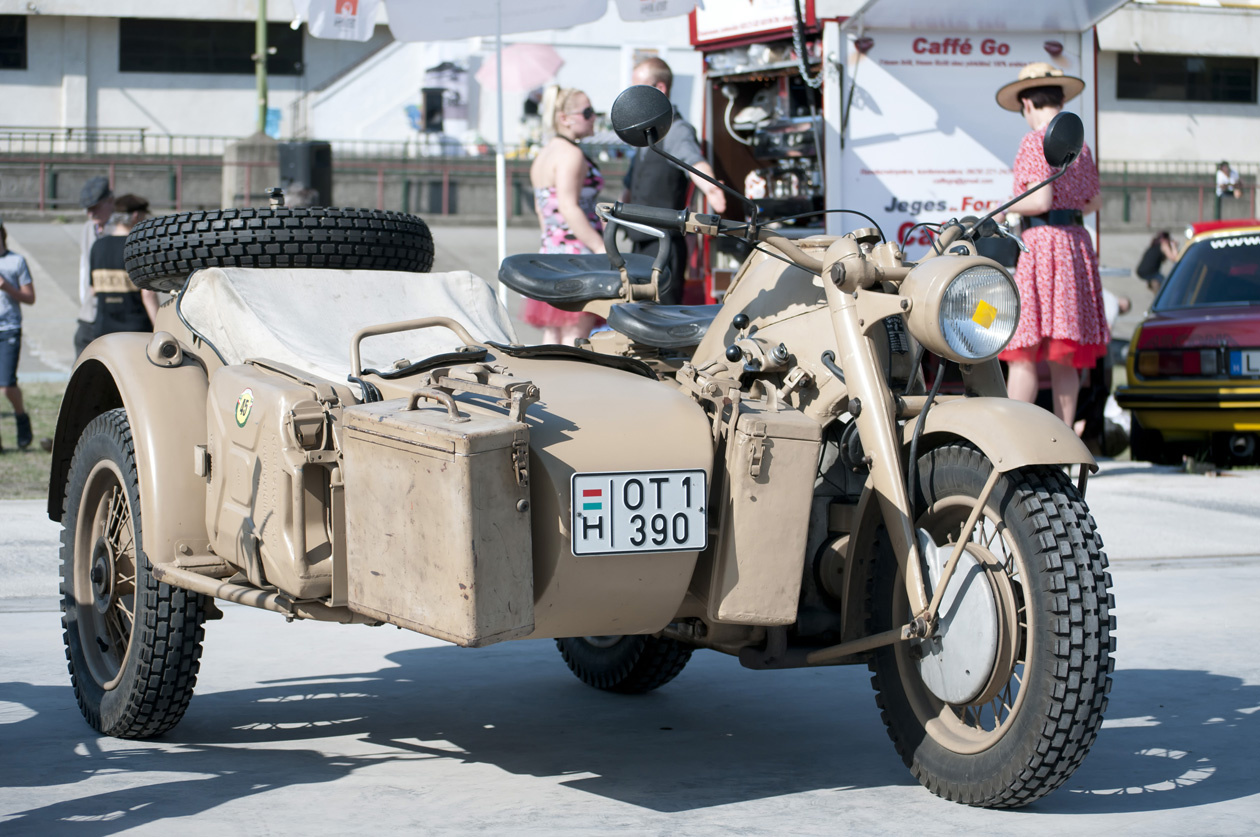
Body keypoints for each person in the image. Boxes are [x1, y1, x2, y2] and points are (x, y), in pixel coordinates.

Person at [994, 62, 1107, 430]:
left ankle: (1011, 438)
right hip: (1074, 246)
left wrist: (1002, 207)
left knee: (1023, 353)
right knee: (1064, 357)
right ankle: (1063, 441)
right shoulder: (1081, 146)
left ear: (1028, 103)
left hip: (1042, 247)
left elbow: (1040, 201)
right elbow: (1094, 200)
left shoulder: (1034, 140)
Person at [624, 57, 727, 305]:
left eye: (640, 89)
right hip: (640, 241)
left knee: (661, 318)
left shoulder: (676, 129)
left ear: (660, 89)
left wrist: (713, 190)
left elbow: (693, 161)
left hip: (663, 245)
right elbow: (630, 185)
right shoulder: (644, 131)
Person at [524, 86, 606, 346]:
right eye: (588, 112)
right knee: (576, 334)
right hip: (578, 256)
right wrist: (601, 248)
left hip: (551, 252)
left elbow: (543, 208)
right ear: (564, 118)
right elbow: (569, 207)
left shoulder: (544, 154)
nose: (594, 118)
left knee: (554, 333)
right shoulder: (571, 155)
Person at [88, 194, 159, 339]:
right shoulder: (139, 248)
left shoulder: (98, 246)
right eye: (144, 217)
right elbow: (148, 294)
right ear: (136, 215)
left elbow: (93, 290)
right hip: (135, 330)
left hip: (103, 331)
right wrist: (161, 329)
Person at [0, 219, 36, 450]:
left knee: (6, 387)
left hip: (9, 328)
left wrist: (7, 287)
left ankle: (21, 416)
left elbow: (30, 298)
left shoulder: (16, 261)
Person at [76, 176, 115, 358]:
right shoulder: (87, 228)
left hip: (114, 314)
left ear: (110, 201)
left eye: (95, 208)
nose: (90, 214)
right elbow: (84, 268)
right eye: (88, 209)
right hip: (89, 314)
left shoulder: (121, 229)